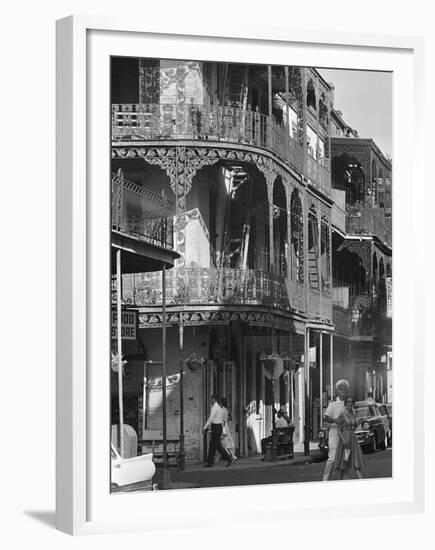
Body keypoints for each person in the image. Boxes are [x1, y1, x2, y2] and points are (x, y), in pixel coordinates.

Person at [322, 379, 350, 481]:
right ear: (337, 390)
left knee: (346, 457)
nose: (343, 391)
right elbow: (326, 417)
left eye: (345, 389)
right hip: (335, 433)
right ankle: (326, 478)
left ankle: (343, 478)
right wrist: (335, 421)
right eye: (341, 389)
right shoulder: (333, 404)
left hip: (347, 434)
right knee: (332, 458)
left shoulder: (349, 404)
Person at [334, 396, 365, 479]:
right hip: (346, 440)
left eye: (351, 402)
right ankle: (340, 480)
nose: (350, 403)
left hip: (353, 439)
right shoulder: (343, 414)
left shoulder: (353, 414)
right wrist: (343, 440)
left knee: (355, 461)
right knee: (344, 462)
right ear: (345, 403)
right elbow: (338, 429)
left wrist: (359, 423)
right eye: (348, 402)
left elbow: (353, 428)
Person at [203, 394, 235, 467]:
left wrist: (205, 427)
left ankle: (228, 458)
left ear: (213, 399)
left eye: (211, 399)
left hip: (216, 427)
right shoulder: (220, 408)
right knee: (212, 445)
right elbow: (220, 420)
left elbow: (211, 418)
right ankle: (210, 462)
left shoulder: (214, 408)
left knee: (217, 445)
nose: (210, 401)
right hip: (219, 427)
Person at [220, 397, 237, 462]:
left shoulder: (222, 410)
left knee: (223, 443)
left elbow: (222, 420)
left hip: (222, 426)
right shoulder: (226, 410)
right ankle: (232, 456)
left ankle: (229, 457)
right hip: (225, 426)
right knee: (227, 442)